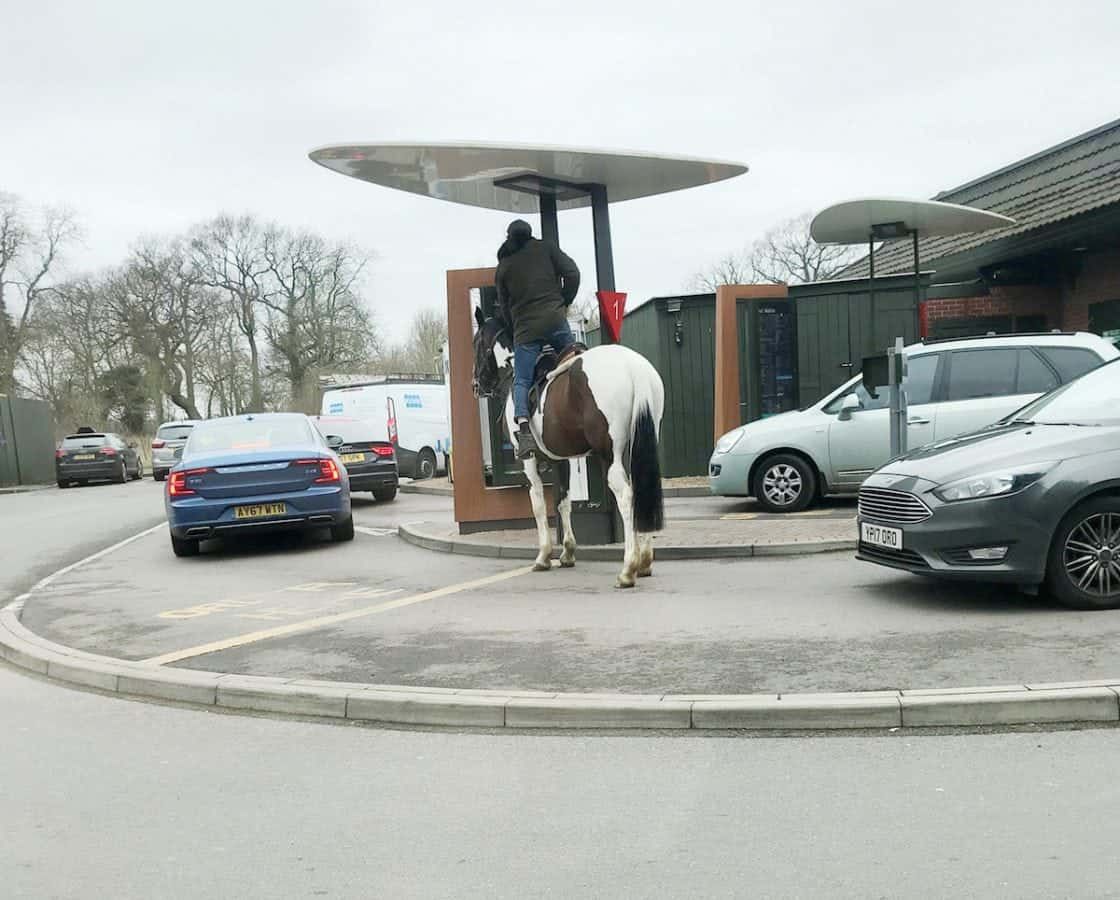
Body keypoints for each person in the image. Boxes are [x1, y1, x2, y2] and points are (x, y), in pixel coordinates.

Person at [495, 218, 581, 459]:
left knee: (521, 380)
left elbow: (503, 307)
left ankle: (524, 431)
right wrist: (563, 301)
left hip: (526, 332)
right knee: (576, 363)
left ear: (509, 237)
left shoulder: (504, 267)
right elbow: (572, 273)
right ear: (530, 234)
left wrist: (515, 330)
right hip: (556, 322)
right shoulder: (546, 248)